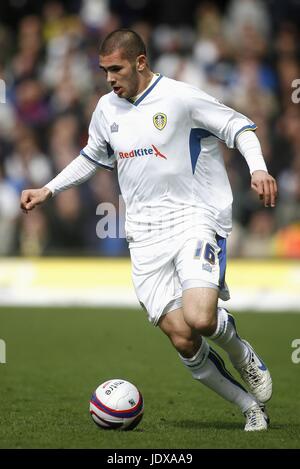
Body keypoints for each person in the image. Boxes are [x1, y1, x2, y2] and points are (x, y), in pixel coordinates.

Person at [20, 29, 277, 431]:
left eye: (116, 69)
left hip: (193, 219)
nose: (109, 78)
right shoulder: (106, 109)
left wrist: (258, 168)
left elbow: (239, 128)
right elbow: (91, 157)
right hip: (144, 237)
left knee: (202, 319)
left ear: (140, 62)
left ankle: (244, 355)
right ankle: (249, 407)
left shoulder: (180, 97)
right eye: (104, 70)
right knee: (183, 338)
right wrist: (49, 189)